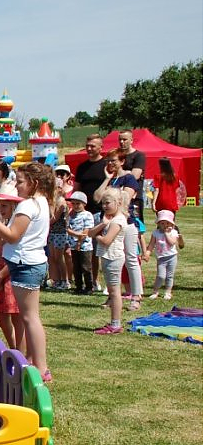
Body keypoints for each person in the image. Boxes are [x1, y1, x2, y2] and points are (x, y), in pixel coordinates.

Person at [0, 162, 53, 380]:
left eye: (20, 182)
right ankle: (34, 361)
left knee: (30, 318)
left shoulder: (28, 205)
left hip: (25, 264)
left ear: (33, 183)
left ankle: (41, 367)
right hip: (31, 262)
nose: (16, 186)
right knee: (30, 317)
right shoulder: (42, 202)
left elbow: (13, 235)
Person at [96, 150, 143, 310]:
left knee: (131, 259)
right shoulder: (110, 180)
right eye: (108, 161)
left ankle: (136, 296)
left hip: (127, 223)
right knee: (110, 258)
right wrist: (106, 179)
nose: (110, 164)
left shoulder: (129, 178)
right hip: (110, 224)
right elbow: (97, 197)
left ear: (122, 161)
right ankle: (112, 296)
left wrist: (113, 194)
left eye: (113, 160)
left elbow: (125, 200)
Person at [87, 188, 129, 335]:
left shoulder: (118, 220)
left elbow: (106, 240)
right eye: (103, 203)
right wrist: (103, 224)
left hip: (113, 258)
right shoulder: (109, 219)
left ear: (118, 202)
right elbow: (90, 233)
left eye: (108, 203)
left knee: (114, 292)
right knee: (112, 291)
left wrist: (98, 236)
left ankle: (115, 324)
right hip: (108, 257)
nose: (104, 206)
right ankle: (114, 322)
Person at [0, 189, 24, 352]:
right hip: (4, 274)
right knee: (3, 318)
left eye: (4, 206)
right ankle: (15, 349)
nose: (1, 209)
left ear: (13, 206)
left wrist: (0, 275)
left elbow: (17, 256)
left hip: (11, 274)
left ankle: (19, 352)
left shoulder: (16, 225)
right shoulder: (6, 224)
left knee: (16, 317)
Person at [73, 134, 107, 292]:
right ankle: (89, 280)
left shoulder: (106, 166)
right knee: (87, 249)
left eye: (93, 146)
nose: (89, 148)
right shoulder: (82, 167)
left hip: (100, 212)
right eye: (87, 146)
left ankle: (97, 280)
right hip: (84, 213)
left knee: (99, 249)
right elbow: (76, 189)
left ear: (101, 147)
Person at [144, 209, 183, 301]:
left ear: (171, 224)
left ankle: (168, 292)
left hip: (172, 257)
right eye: (162, 223)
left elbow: (172, 243)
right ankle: (155, 291)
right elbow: (151, 245)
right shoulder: (155, 233)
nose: (165, 225)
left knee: (169, 276)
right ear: (158, 224)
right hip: (161, 258)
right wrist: (147, 253)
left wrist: (166, 233)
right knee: (160, 276)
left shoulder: (174, 232)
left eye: (167, 223)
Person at [66, 191, 95, 295]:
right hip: (73, 245)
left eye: (78, 203)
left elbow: (86, 231)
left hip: (85, 246)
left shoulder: (87, 215)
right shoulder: (71, 215)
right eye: (73, 203)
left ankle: (89, 287)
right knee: (76, 267)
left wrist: (79, 242)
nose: (75, 206)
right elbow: (67, 228)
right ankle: (78, 286)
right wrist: (75, 235)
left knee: (86, 267)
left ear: (84, 204)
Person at [117, 129, 146, 222]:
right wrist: (128, 172)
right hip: (117, 196)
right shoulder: (116, 155)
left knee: (136, 224)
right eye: (120, 139)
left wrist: (120, 172)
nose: (122, 142)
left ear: (131, 140)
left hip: (134, 197)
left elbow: (135, 176)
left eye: (125, 139)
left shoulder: (138, 156)